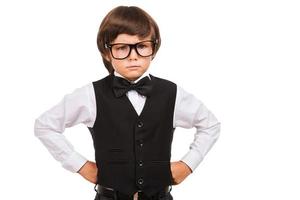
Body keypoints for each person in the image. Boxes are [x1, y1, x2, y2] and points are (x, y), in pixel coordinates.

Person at [34, 6, 220, 200]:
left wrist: (188, 164)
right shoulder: (90, 95)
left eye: (142, 46)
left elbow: (210, 125)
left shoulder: (172, 93)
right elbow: (45, 126)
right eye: (122, 48)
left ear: (153, 48)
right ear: (107, 53)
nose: (133, 55)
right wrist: (79, 165)